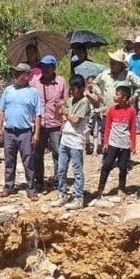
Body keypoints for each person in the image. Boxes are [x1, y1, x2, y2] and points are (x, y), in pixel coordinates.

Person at [0, 63, 43, 201]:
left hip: (25, 132)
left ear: (26, 76)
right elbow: (1, 110)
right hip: (9, 131)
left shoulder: (33, 92)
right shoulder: (8, 90)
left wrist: (36, 133)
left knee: (28, 161)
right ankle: (8, 187)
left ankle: (31, 188)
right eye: (14, 74)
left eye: (18, 74)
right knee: (9, 161)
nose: (15, 77)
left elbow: (38, 114)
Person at [92, 50, 140, 153]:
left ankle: (123, 156)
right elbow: (95, 83)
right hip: (107, 110)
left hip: (123, 111)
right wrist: (99, 94)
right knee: (105, 132)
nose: (112, 64)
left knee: (124, 134)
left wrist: (135, 96)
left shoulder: (128, 75)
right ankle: (107, 155)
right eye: (111, 61)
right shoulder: (105, 74)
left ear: (121, 64)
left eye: (115, 62)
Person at [52, 75, 91, 210]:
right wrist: (58, 108)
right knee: (61, 169)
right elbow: (58, 116)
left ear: (81, 89)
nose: (72, 92)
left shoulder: (84, 102)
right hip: (65, 138)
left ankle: (79, 197)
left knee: (77, 171)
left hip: (76, 139)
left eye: (74, 89)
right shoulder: (70, 100)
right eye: (71, 89)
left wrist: (66, 113)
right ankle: (62, 194)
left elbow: (76, 120)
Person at [30, 55, 66, 189]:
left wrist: (63, 118)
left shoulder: (61, 82)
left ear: (53, 68)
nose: (44, 69)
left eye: (47, 67)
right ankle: (39, 180)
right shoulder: (35, 82)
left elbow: (65, 101)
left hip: (55, 123)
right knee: (37, 153)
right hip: (39, 124)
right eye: (42, 67)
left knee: (58, 152)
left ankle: (58, 179)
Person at [96, 86, 137, 198]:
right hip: (113, 144)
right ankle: (100, 190)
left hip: (124, 145)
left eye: (117, 94)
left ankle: (121, 187)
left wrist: (133, 145)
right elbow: (108, 127)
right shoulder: (112, 110)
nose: (114, 96)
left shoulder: (131, 111)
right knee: (106, 166)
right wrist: (106, 143)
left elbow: (133, 128)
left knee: (123, 167)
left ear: (124, 98)